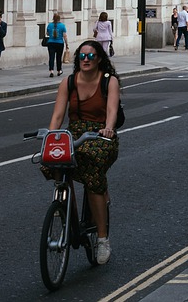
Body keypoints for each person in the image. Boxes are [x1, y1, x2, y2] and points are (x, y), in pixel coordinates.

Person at [46, 40, 120, 264]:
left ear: (99, 59)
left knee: (93, 177)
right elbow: (58, 115)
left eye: (90, 56)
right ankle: (66, 208)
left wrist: (108, 128)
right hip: (74, 134)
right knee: (53, 159)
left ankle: (102, 238)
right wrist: (52, 136)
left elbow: (111, 110)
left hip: (100, 135)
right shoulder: (68, 82)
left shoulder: (109, 81)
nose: (86, 60)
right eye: (82, 56)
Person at [45, 12, 69, 77]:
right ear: (59, 19)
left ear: (53, 18)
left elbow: (47, 34)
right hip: (60, 43)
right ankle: (59, 70)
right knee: (59, 57)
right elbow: (64, 36)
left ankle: (51, 71)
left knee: (51, 57)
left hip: (51, 43)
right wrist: (67, 44)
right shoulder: (62, 26)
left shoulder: (49, 25)